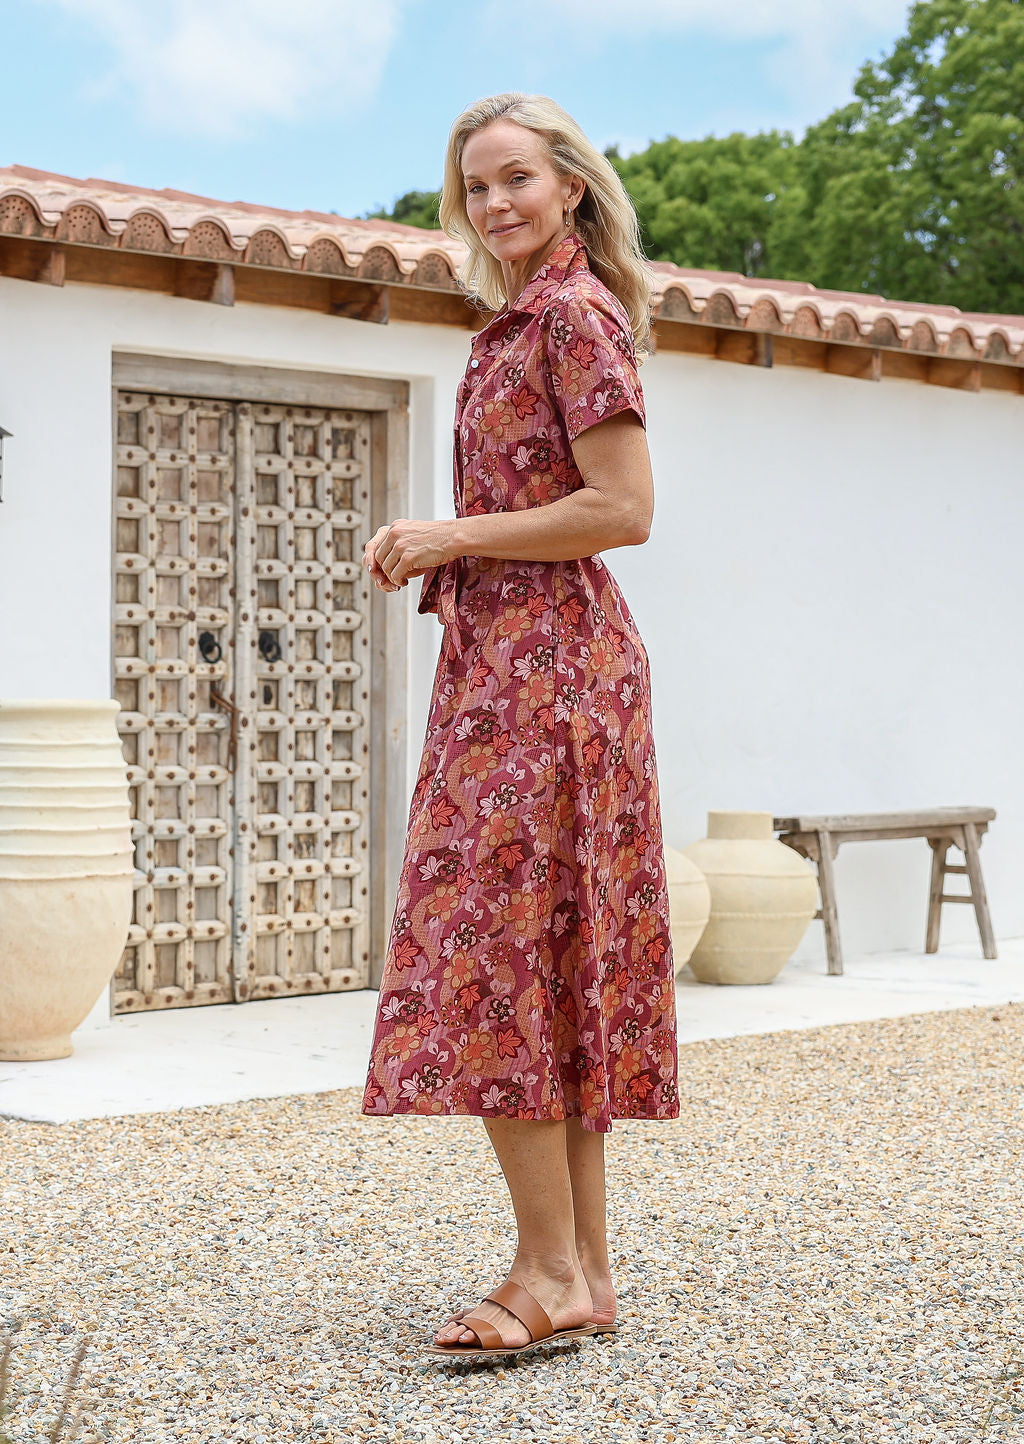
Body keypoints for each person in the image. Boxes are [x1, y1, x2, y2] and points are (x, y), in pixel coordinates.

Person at [360, 92, 679, 1359]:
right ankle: (580, 1270)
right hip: (517, 664)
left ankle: (542, 1265)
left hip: (549, 674)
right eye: (475, 186)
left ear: (572, 190)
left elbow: (623, 507)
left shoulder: (573, 316)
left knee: (491, 955)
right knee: (541, 959)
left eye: (516, 181)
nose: (495, 204)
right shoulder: (514, 325)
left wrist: (450, 532)